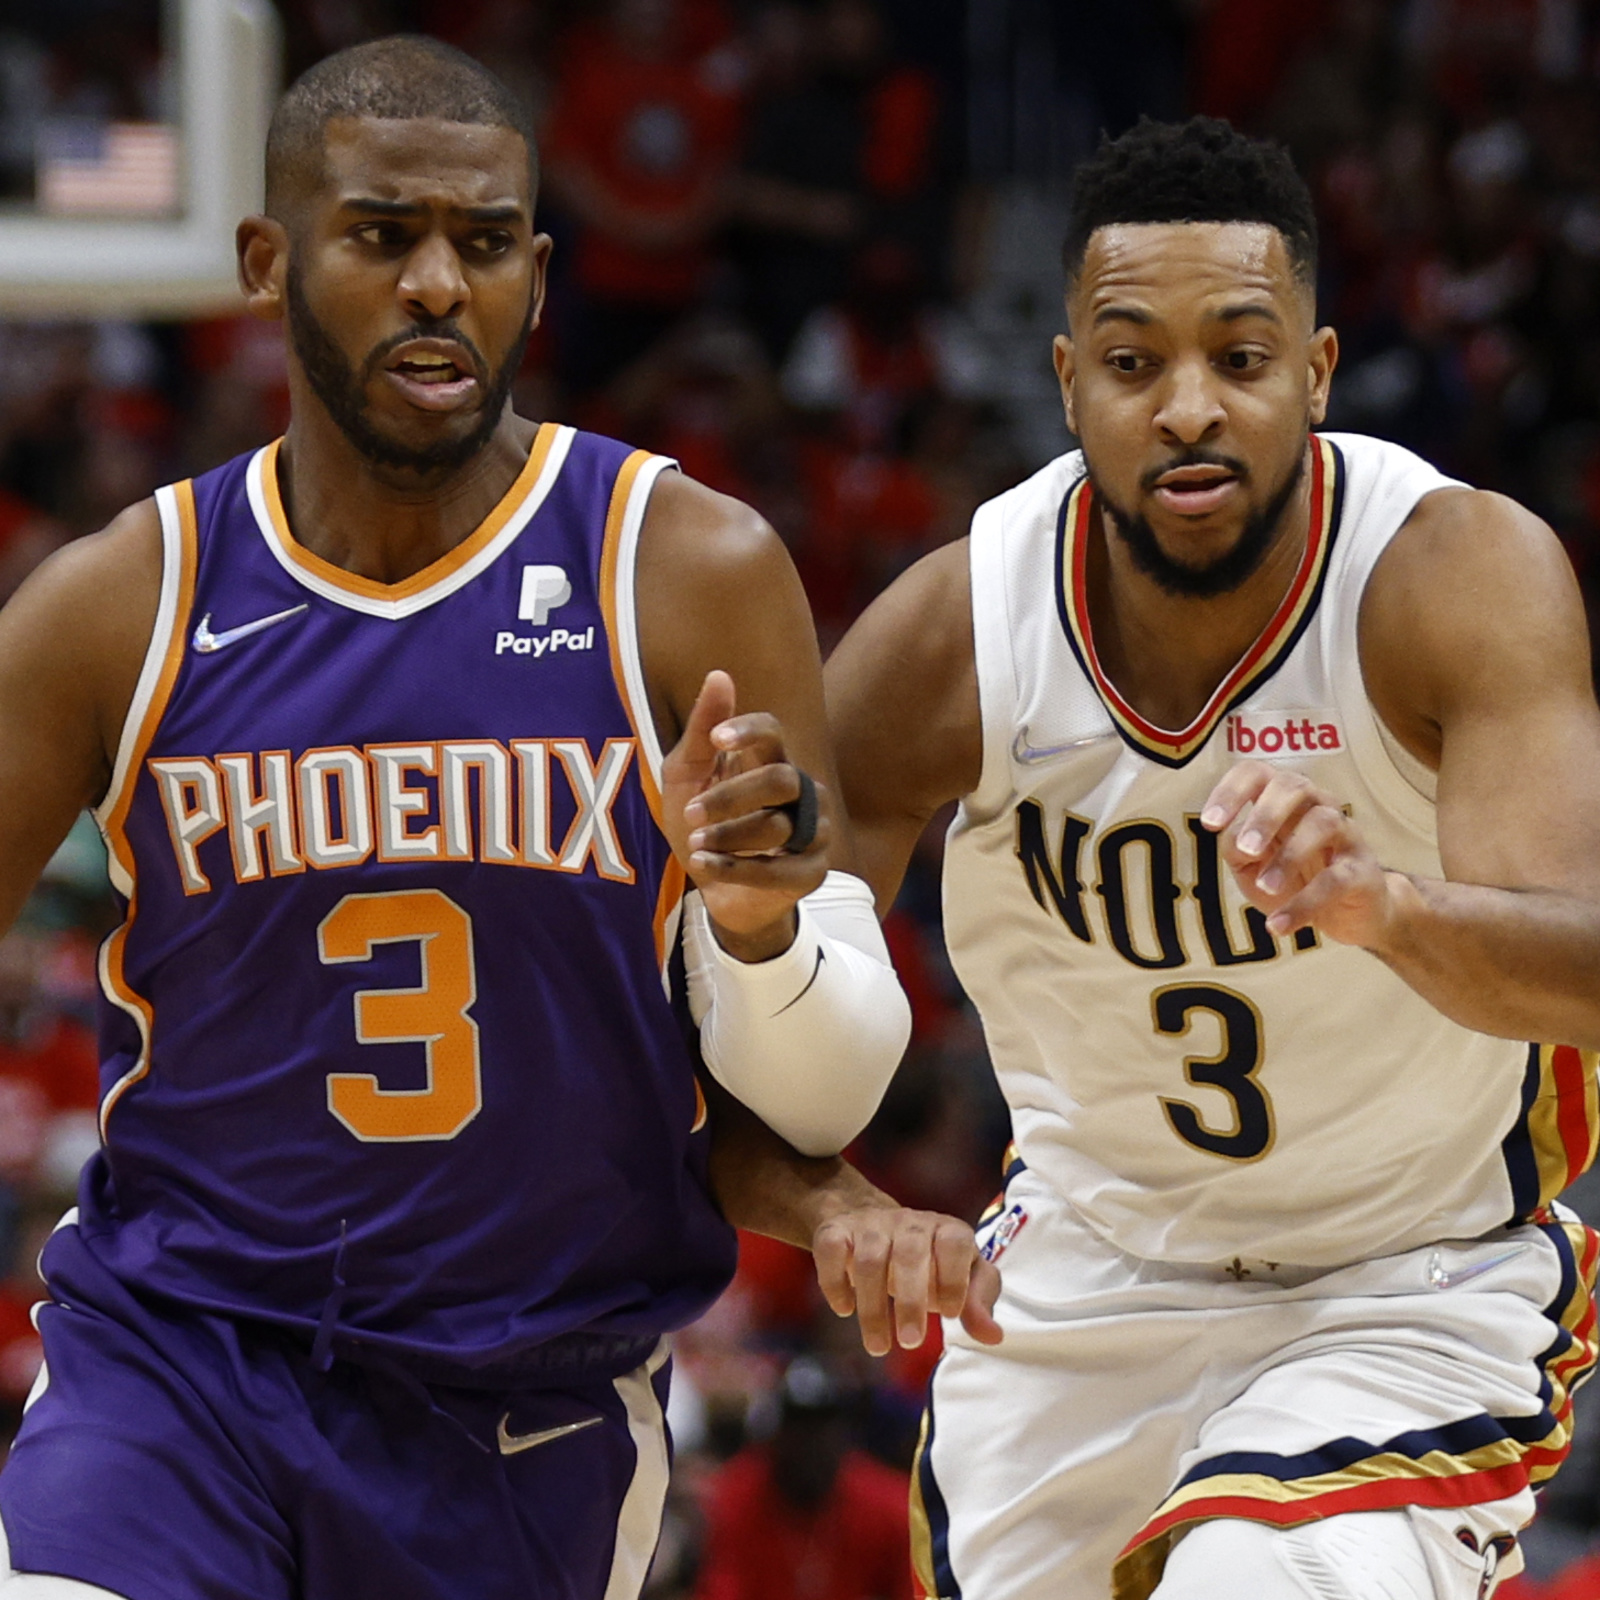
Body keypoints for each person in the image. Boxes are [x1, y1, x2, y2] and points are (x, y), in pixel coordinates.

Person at [0, 35, 997, 1600]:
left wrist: (755, 930)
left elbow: (815, 1092)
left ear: (537, 271)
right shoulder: (118, 607)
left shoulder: (688, 571)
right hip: (179, 1369)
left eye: (480, 245)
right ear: (267, 261)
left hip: (527, 1410)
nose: (435, 287)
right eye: (382, 237)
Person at [823, 115, 1600, 1600]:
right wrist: (832, 1200)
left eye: (1240, 359)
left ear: (1313, 373)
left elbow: (1586, 968)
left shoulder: (1450, 576)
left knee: (1254, 1578)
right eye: (1133, 363)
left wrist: (1389, 906)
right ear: (1069, 387)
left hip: (1407, 1277)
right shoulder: (957, 636)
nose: (1189, 407)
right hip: (1084, 1276)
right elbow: (746, 995)